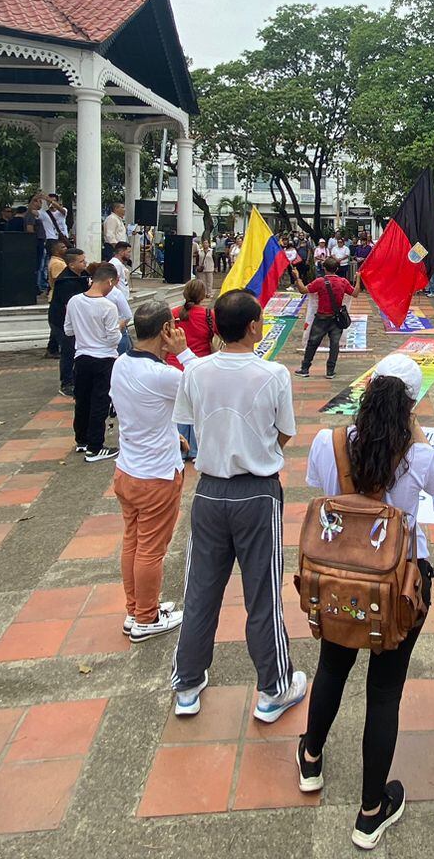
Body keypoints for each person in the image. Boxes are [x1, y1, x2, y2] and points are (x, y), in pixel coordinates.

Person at [296, 353, 434, 850]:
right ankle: (370, 810)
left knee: (332, 667)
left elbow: (323, 489)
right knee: (384, 692)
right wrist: (414, 431)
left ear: (368, 386)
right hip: (399, 587)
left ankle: (311, 758)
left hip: (338, 582)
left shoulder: (328, 441)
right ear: (412, 405)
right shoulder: (418, 455)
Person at [170, 289, 306, 724]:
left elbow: (187, 425)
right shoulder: (273, 374)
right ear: (253, 327)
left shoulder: (197, 372)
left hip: (209, 492)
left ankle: (187, 684)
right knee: (262, 594)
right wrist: (258, 448)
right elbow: (284, 432)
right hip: (256, 492)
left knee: (199, 591)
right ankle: (274, 687)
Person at [110, 301, 192, 642]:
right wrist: (184, 353)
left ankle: (137, 609)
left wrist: (171, 434)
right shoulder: (164, 375)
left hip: (128, 469)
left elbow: (142, 411)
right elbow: (206, 386)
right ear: (165, 331)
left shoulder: (121, 364)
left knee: (133, 541)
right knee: (151, 549)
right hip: (156, 475)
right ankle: (145, 617)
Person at [65, 263, 125, 462]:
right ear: (109, 281)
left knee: (82, 399)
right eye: (114, 284)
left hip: (81, 356)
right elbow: (113, 339)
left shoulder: (74, 301)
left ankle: (81, 440)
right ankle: (95, 447)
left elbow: (68, 330)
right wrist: (119, 327)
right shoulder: (108, 306)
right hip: (104, 358)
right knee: (100, 401)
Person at [296, 257, 354, 380]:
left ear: (324, 268)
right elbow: (355, 293)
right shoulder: (343, 282)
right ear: (337, 269)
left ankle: (305, 368)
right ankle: (330, 371)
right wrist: (358, 278)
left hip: (321, 318)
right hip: (336, 319)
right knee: (334, 345)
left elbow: (302, 290)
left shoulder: (319, 282)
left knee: (312, 343)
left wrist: (297, 277)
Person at [48, 249, 89, 396]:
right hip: (61, 320)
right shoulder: (65, 281)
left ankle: (76, 377)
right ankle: (66, 383)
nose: (85, 263)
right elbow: (70, 306)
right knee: (68, 349)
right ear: (71, 265)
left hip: (74, 320)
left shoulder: (83, 275)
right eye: (81, 261)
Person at [170, 279, 216, 367]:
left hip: (174, 364)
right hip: (200, 364)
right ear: (202, 296)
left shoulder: (172, 313)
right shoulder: (209, 315)